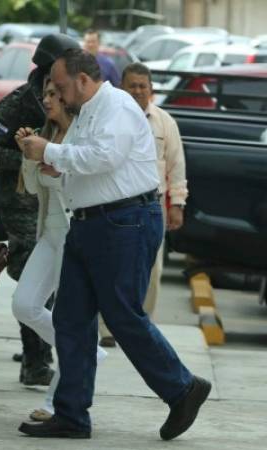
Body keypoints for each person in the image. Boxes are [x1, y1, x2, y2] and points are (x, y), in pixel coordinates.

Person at [18, 49, 210, 441]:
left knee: (122, 316)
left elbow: (105, 156)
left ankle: (183, 388)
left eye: (61, 84)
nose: (56, 91)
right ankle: (71, 414)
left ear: (83, 81)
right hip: (90, 224)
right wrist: (60, 165)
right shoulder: (88, 111)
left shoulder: (117, 106)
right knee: (70, 320)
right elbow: (91, 162)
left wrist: (51, 151)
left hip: (125, 223)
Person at [0, 33, 80, 386]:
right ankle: (36, 360)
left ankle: (46, 351)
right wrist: (25, 156)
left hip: (62, 204)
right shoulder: (20, 102)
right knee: (31, 282)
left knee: (55, 286)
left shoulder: (76, 99)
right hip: (22, 204)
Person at [13, 77, 107, 422]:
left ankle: (54, 403)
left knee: (70, 319)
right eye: (45, 95)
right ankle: (89, 350)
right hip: (49, 234)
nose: (47, 100)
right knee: (24, 304)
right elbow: (33, 190)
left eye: (53, 94)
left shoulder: (83, 136)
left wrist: (59, 166)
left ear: (67, 98)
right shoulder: (46, 135)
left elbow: (89, 179)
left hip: (75, 235)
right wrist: (29, 157)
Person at [98, 62, 188, 348]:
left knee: (151, 270)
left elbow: (177, 166)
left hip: (153, 208)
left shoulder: (164, 123)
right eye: (132, 85)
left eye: (142, 86)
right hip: (114, 205)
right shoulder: (108, 119)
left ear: (151, 90)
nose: (137, 91)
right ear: (121, 88)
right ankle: (106, 329)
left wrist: (178, 204)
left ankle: (142, 328)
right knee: (112, 268)